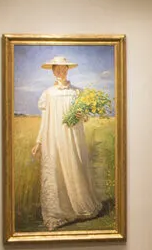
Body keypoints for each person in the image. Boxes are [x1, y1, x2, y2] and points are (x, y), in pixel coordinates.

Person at [32, 55, 105, 230]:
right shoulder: (48, 94)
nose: (59, 71)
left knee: (75, 168)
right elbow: (45, 121)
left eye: (63, 67)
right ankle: (58, 213)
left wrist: (82, 116)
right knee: (56, 172)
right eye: (56, 68)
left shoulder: (77, 92)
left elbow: (85, 118)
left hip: (72, 138)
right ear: (52, 71)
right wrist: (39, 142)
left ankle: (79, 207)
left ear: (68, 69)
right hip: (54, 139)